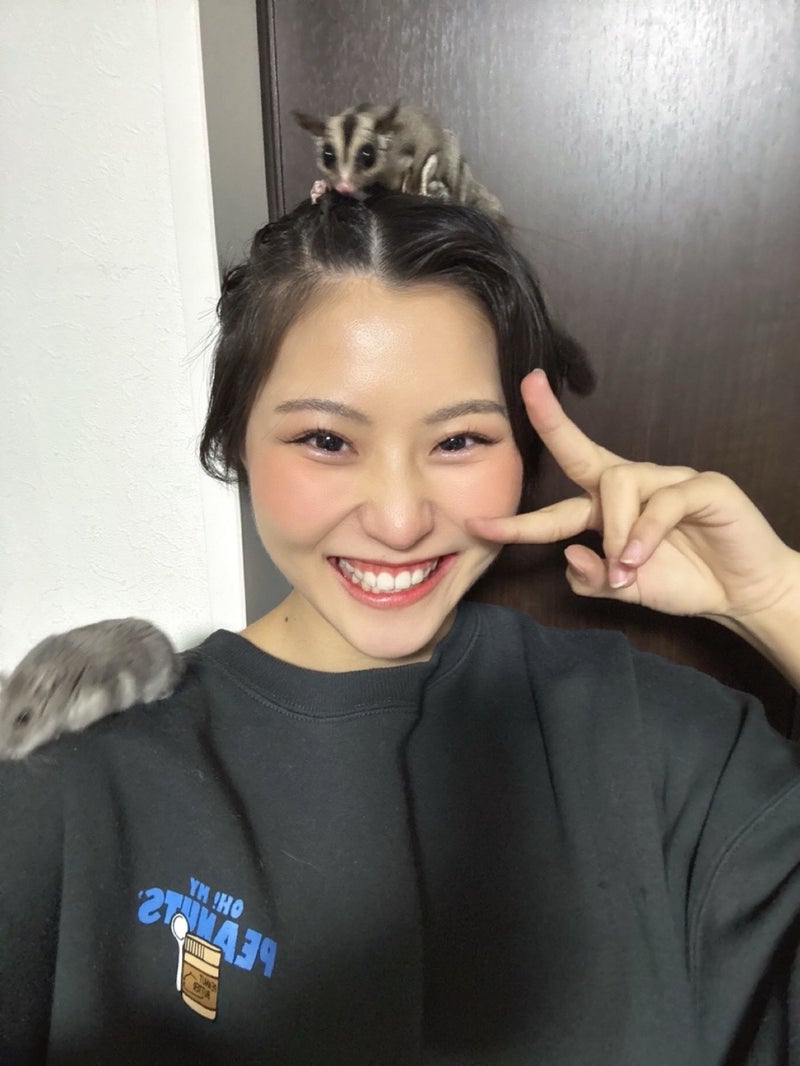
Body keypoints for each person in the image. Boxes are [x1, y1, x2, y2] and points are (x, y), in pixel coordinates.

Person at [1, 189, 799, 1065]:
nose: (398, 520)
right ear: (235, 440)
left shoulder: (672, 746)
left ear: (522, 453)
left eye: (458, 442)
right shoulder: (78, 772)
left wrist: (774, 600)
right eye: (326, 440)